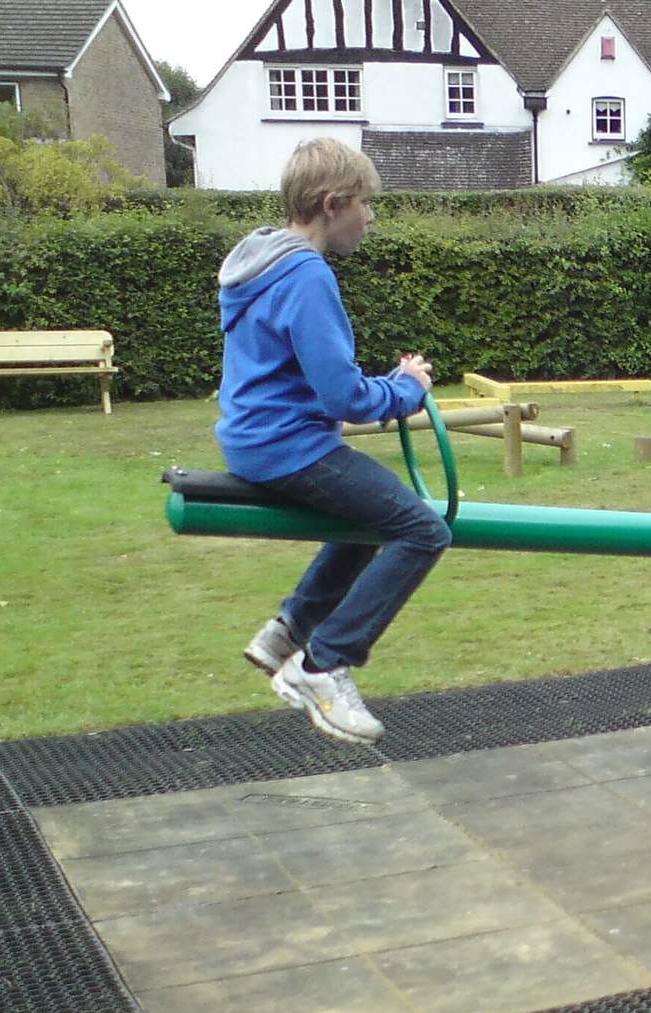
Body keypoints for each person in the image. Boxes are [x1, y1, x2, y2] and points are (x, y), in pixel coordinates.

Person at [216, 137, 448, 745]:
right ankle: (324, 664)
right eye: (366, 203)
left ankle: (287, 630)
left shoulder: (258, 265)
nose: (370, 217)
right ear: (331, 203)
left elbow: (295, 374)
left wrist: (391, 384)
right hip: (288, 447)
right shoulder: (306, 275)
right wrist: (407, 389)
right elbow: (342, 397)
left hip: (252, 440)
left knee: (371, 513)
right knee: (422, 529)